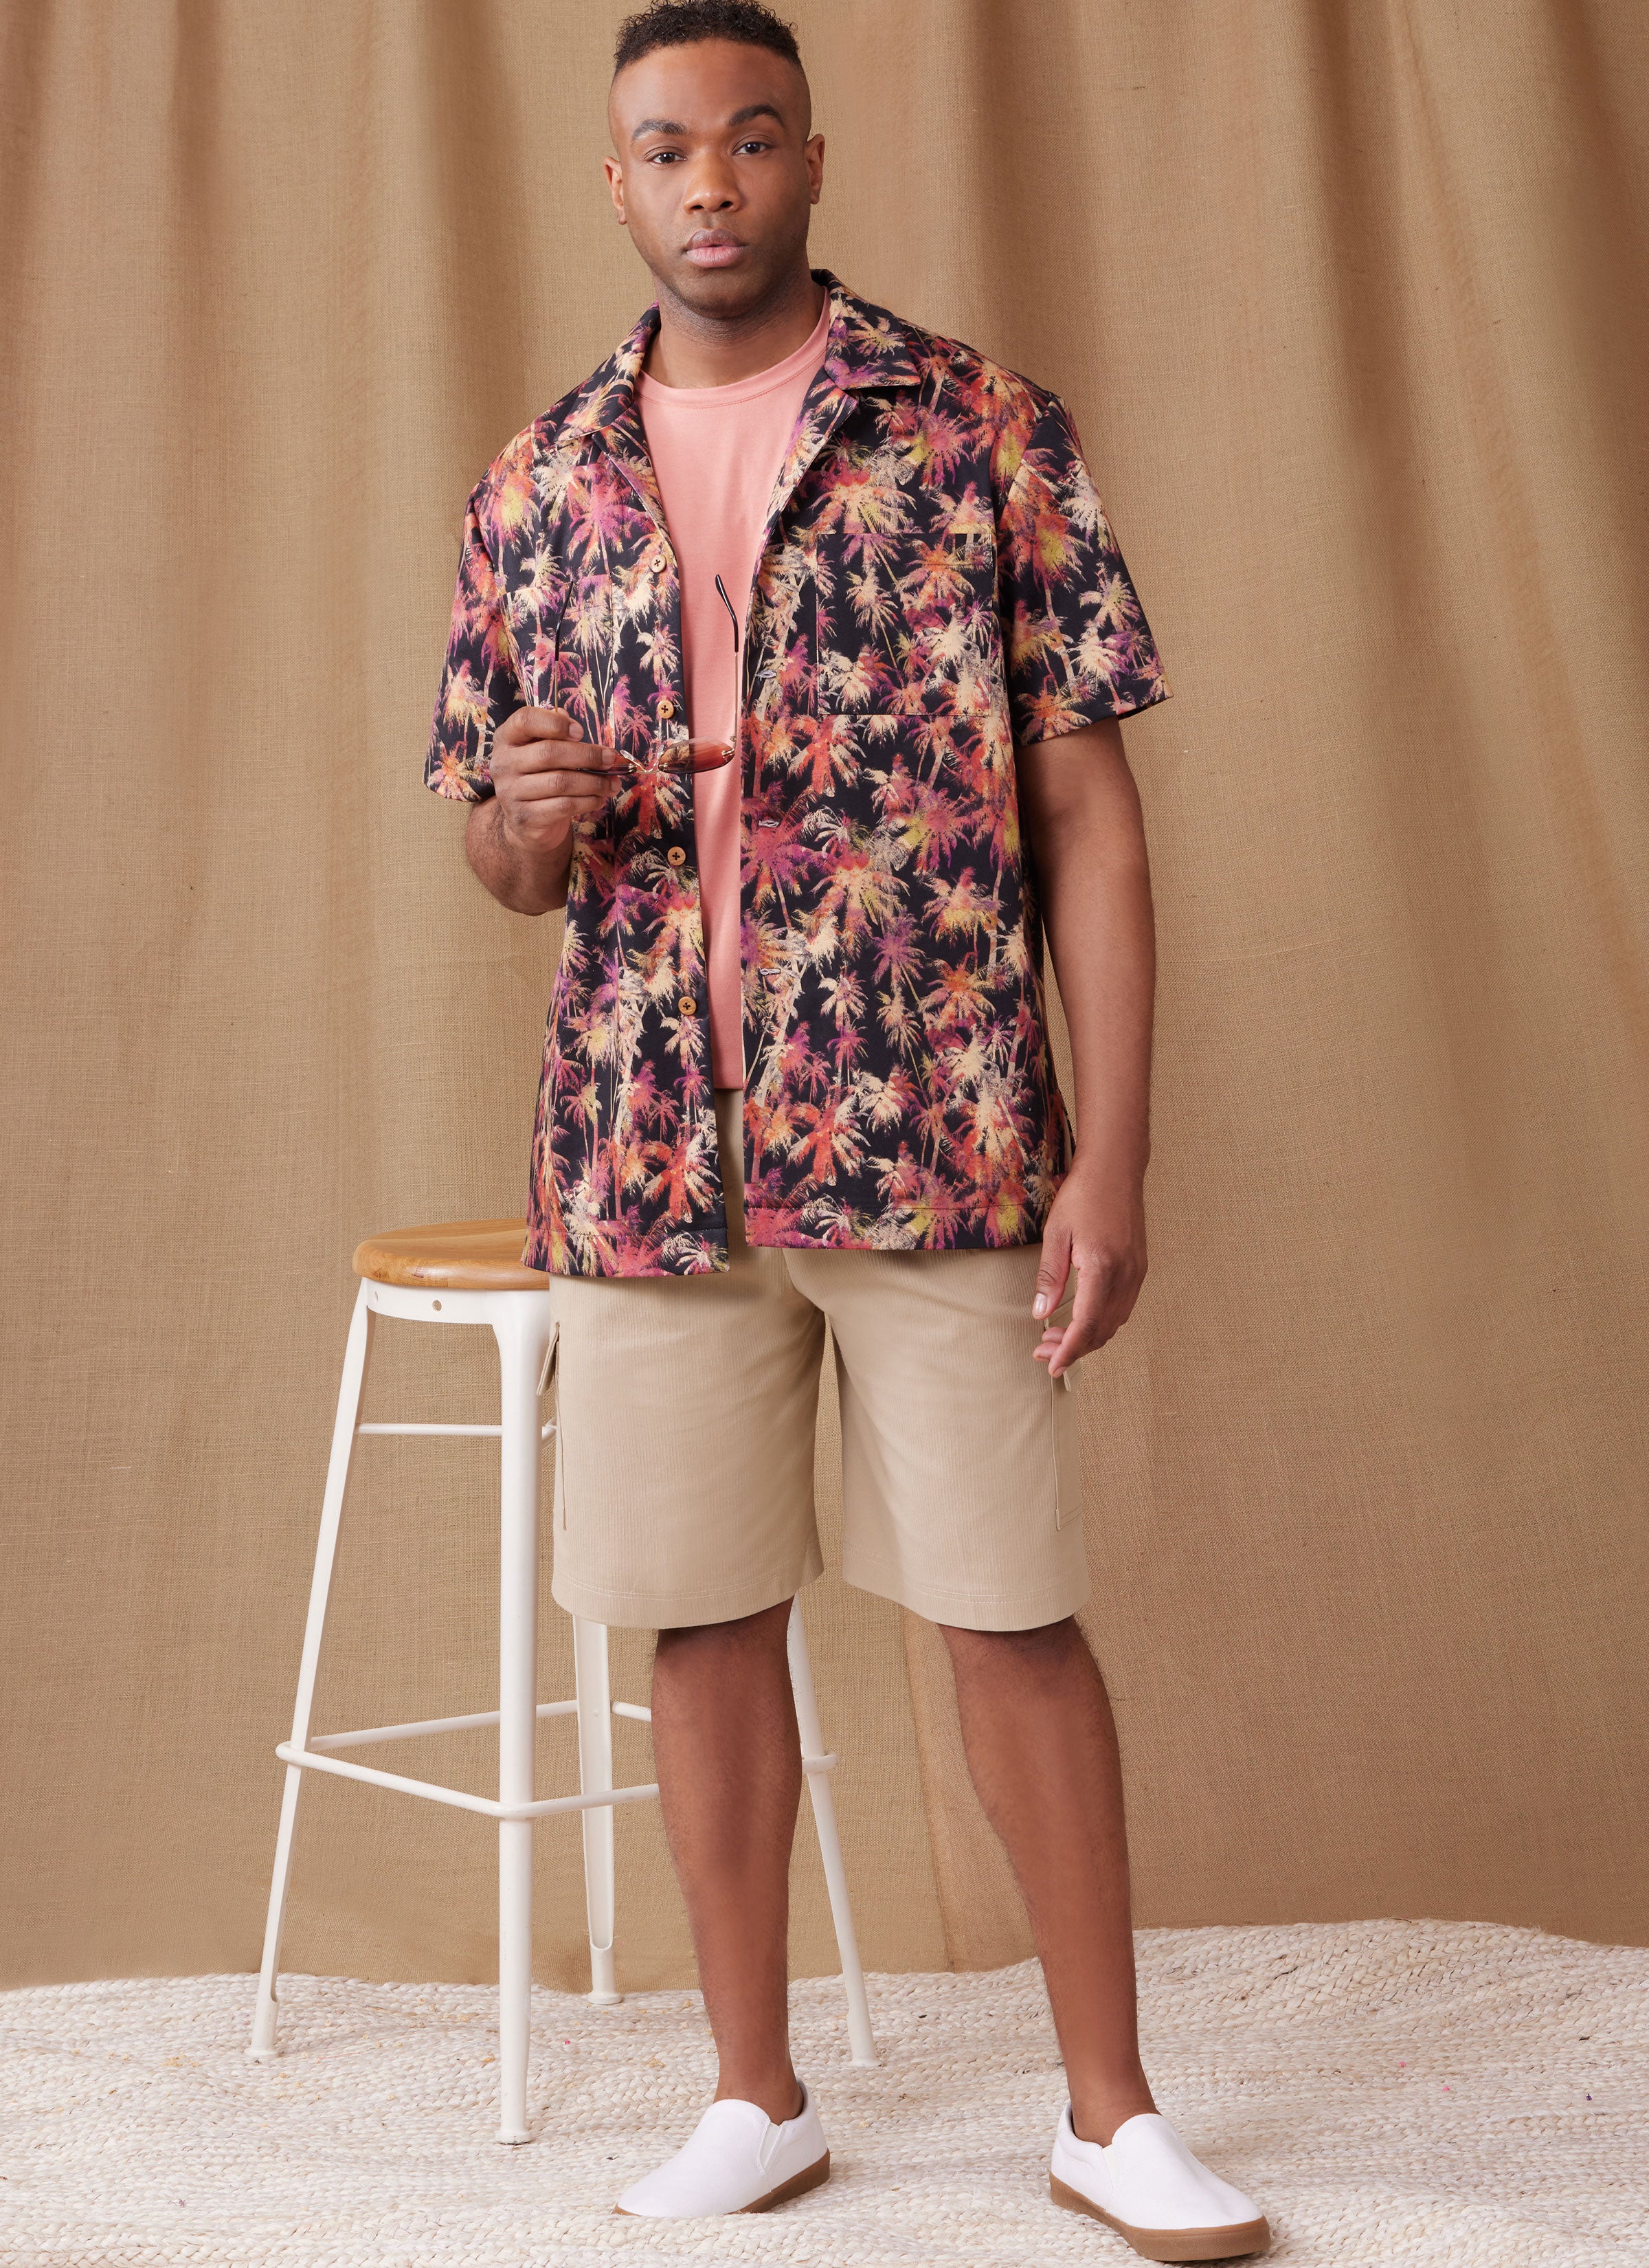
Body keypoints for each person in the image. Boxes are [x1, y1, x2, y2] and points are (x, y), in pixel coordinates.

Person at [426, 1, 1269, 2254]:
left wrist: (1115, 1154)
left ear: (813, 160)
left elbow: (1092, 819)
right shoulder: (535, 484)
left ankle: (1111, 2112)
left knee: (1009, 1613)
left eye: (752, 138)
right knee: (700, 1622)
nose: (710, 181)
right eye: (665, 147)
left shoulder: (978, 427)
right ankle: (753, 2094)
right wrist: (521, 822)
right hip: (649, 1157)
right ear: (614, 181)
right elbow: (501, 857)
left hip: (939, 1129)